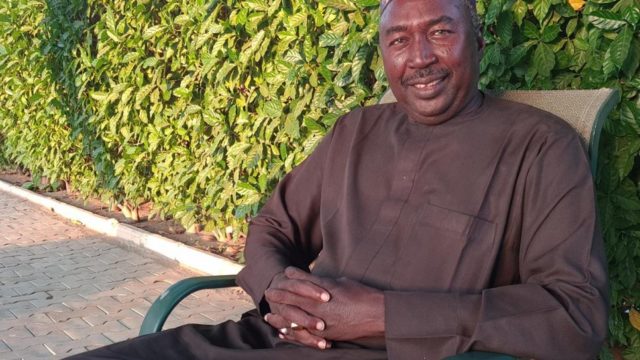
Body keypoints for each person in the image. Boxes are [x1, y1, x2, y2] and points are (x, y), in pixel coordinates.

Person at [69, 0, 608, 359]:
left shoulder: (541, 145)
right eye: (399, 41)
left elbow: (575, 314)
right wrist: (273, 287)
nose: (420, 58)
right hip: (272, 338)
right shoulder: (357, 129)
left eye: (440, 32)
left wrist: (386, 318)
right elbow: (272, 227)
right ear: (383, 54)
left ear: (480, 39)